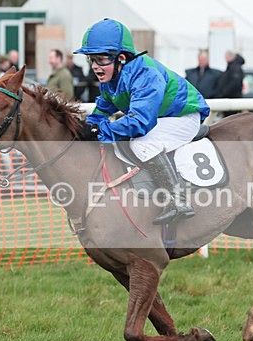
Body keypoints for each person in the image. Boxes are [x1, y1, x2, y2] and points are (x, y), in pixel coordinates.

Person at [74, 18, 210, 225]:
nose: (95, 67)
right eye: (91, 60)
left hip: (183, 116)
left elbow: (139, 123)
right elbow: (102, 110)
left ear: (120, 58)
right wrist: (86, 127)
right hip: (161, 118)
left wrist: (98, 131)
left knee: (141, 143)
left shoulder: (146, 74)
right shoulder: (111, 77)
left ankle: (178, 201)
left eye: (100, 60)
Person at [214, 50, 245, 117]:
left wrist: (223, 93)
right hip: (230, 100)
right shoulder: (232, 67)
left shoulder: (235, 68)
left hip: (232, 101)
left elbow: (234, 84)